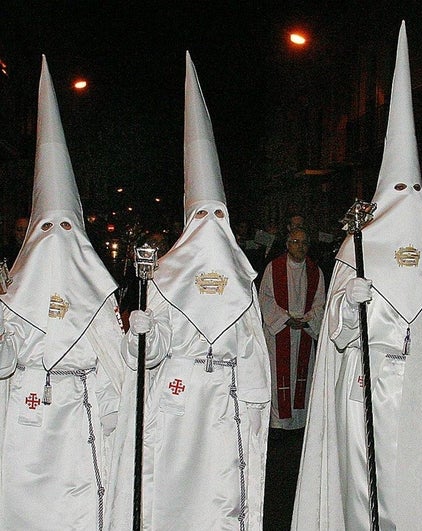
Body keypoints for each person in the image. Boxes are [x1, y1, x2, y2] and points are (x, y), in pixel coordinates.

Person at [292, 22, 422, 530]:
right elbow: (337, 336)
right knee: (365, 491)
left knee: (417, 489)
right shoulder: (358, 245)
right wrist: (348, 308)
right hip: (365, 390)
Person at [109, 53, 271, 530]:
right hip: (180, 399)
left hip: (225, 397)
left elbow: (251, 345)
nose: (211, 230)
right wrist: (142, 330)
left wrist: (255, 395)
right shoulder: (165, 274)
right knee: (174, 489)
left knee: (222, 495)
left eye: (218, 218)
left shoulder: (242, 278)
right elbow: (151, 351)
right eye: (203, 218)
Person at [0, 56, 126, 530]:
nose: (56, 238)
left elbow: (119, 363)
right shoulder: (13, 292)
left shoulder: (94, 291)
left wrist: (136, 344)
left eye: (66, 227)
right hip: (28, 423)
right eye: (47, 227)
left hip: (81, 419)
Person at [259, 227, 325, 432]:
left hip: (304, 331)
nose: (300, 247)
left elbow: (320, 303)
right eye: (296, 242)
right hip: (280, 332)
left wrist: (307, 320)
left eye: (304, 243)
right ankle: (278, 424)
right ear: (287, 244)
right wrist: (286, 320)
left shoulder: (315, 271)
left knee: (302, 379)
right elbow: (265, 298)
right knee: (278, 378)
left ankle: (300, 423)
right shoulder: (274, 268)